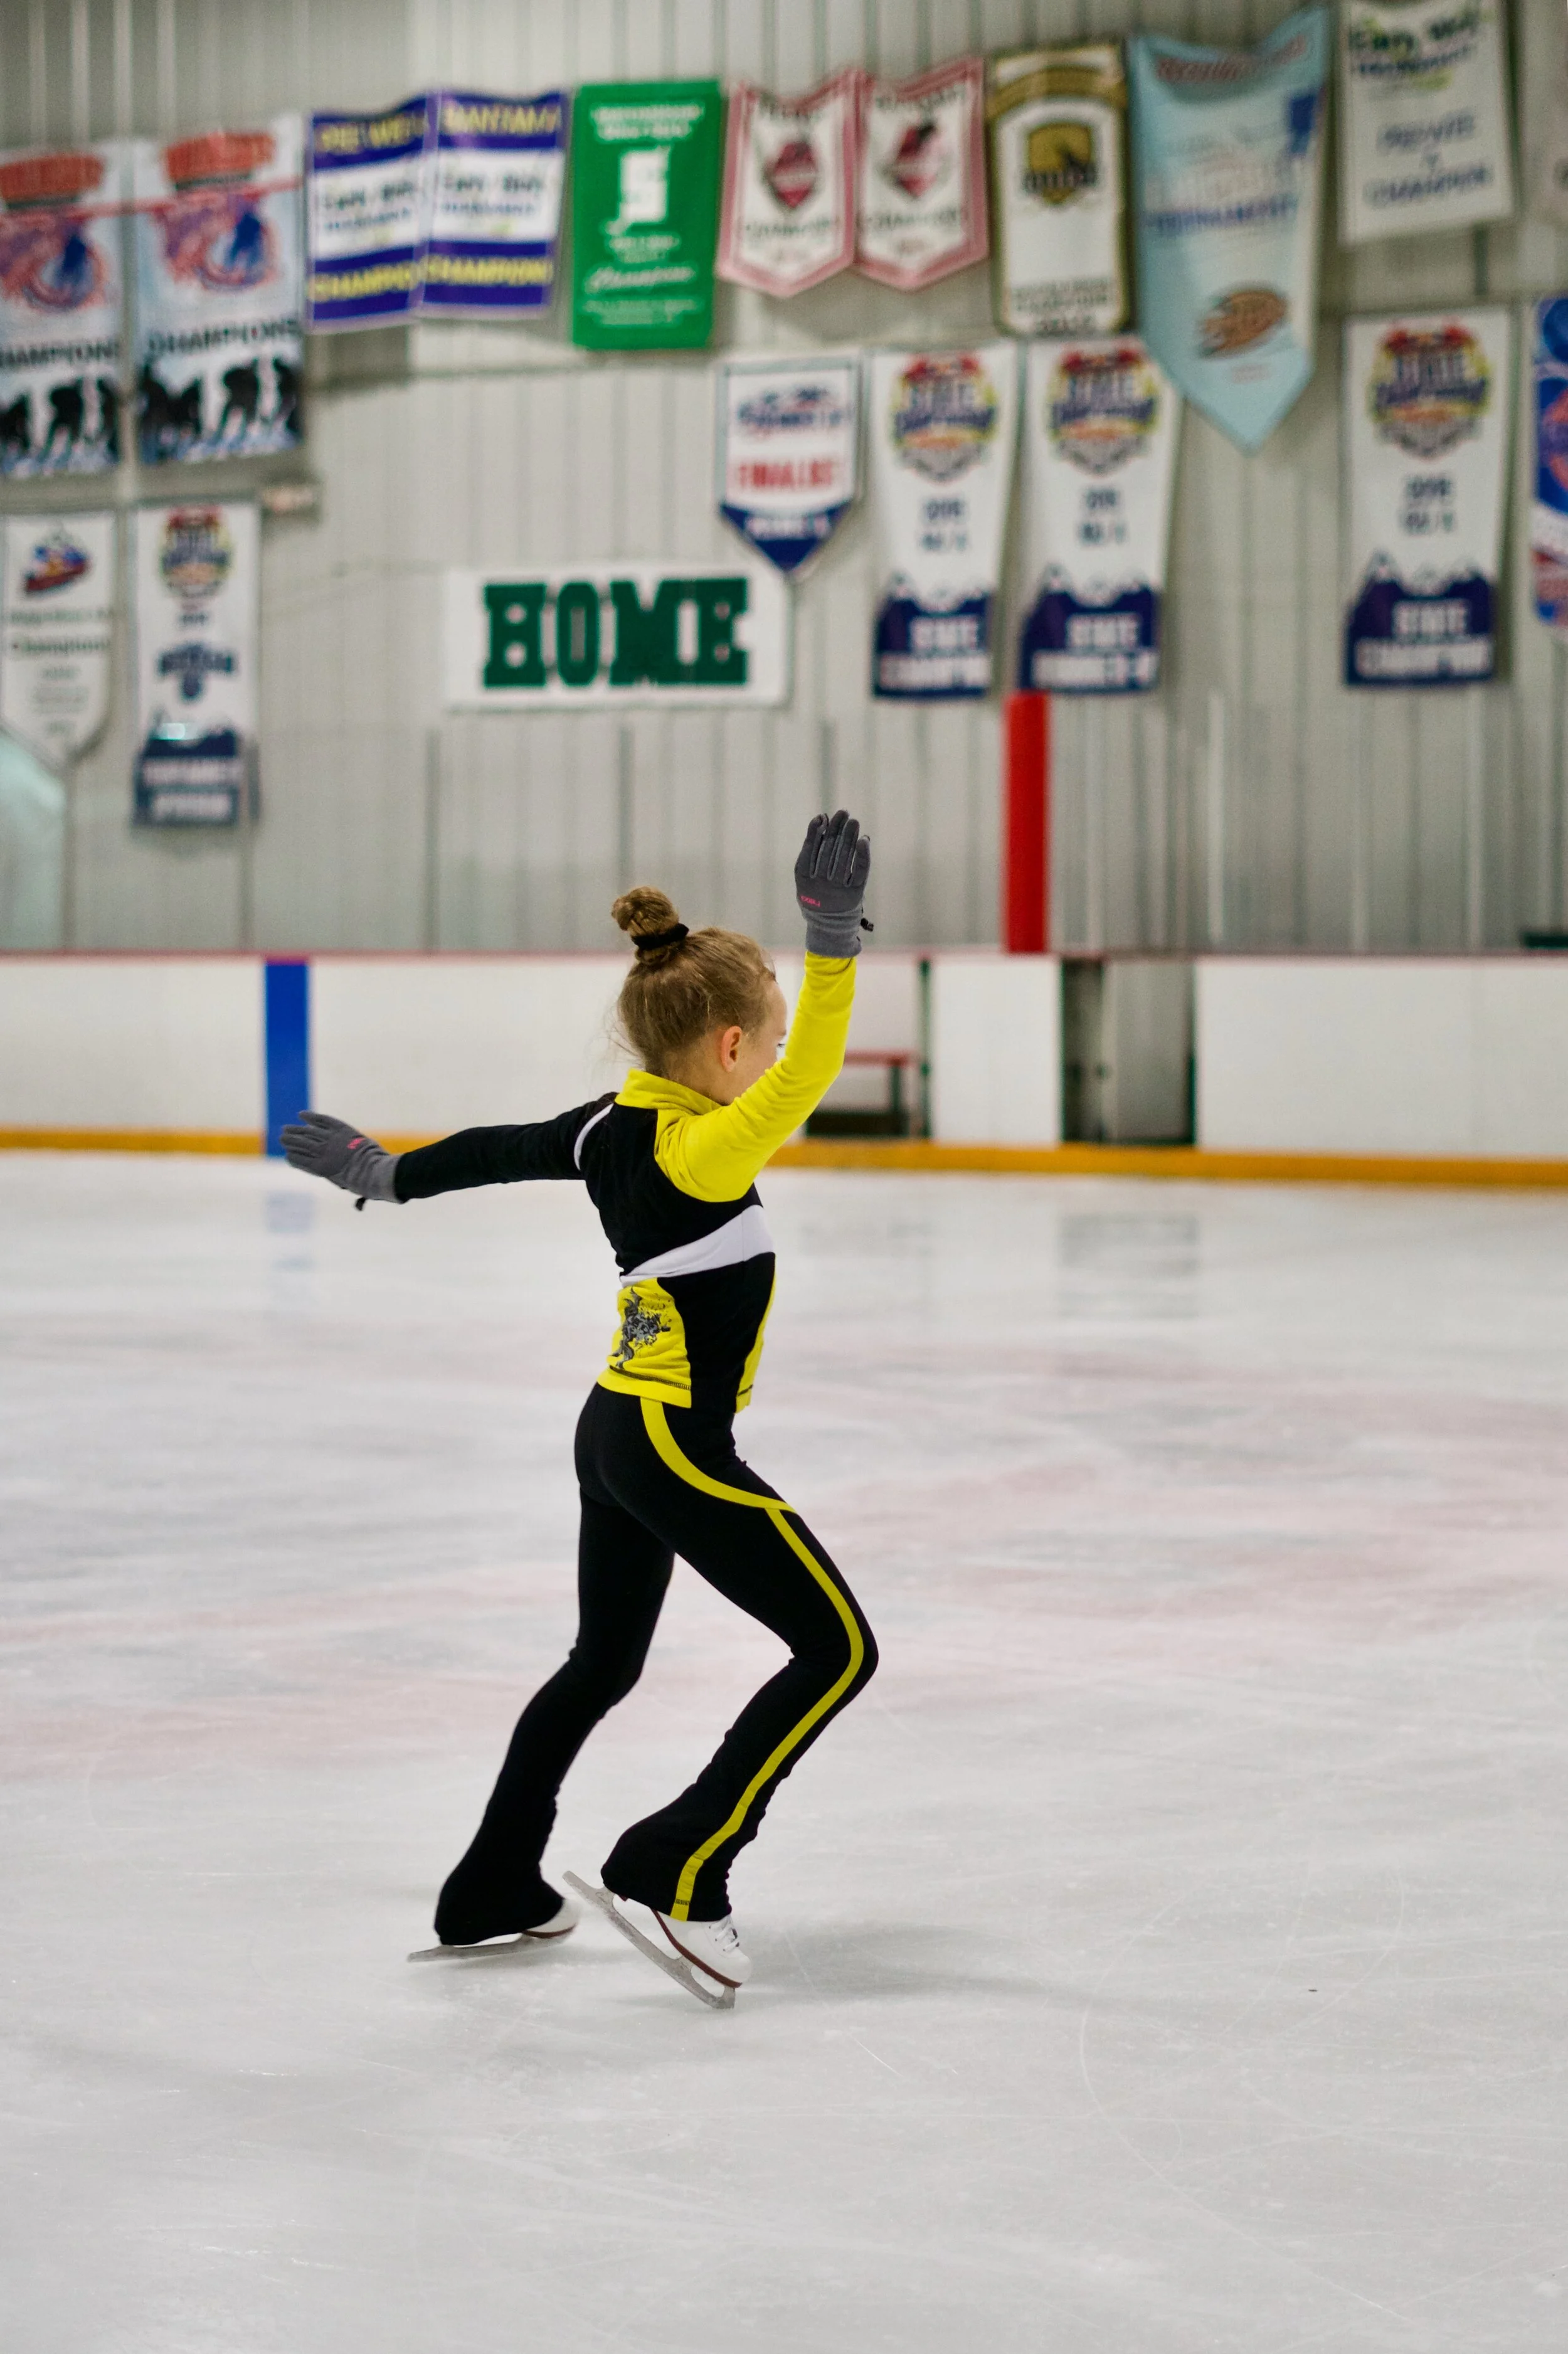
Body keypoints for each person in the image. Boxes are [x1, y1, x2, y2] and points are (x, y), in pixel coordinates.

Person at [282, 811, 879, 1995]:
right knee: (837, 1646)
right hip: (668, 1444)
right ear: (722, 1047)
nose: (766, 1070)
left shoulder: (610, 1125)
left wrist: (385, 1174)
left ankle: (495, 1884)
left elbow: (497, 1147)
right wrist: (833, 938)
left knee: (600, 1665)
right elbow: (811, 1065)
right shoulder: (707, 1150)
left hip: (612, 1433)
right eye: (754, 1051)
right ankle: (681, 1866)